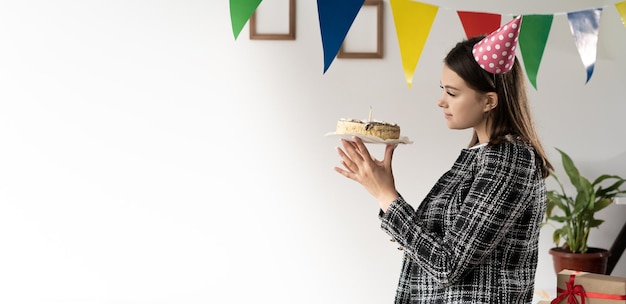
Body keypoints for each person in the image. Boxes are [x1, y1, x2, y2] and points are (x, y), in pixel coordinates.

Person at [333, 16, 553, 303]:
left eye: (452, 92)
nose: (441, 101)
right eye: (442, 89)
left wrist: (385, 196)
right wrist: (384, 190)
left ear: (489, 101)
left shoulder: (508, 161)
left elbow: (447, 264)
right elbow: (437, 245)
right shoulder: (480, 157)